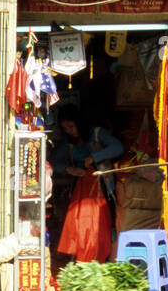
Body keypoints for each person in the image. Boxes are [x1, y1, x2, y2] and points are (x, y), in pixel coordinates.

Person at [53, 106, 124, 264]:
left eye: (71, 126)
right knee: (81, 225)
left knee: (106, 225)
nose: (69, 131)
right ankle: (83, 258)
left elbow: (118, 147)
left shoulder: (97, 133)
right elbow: (52, 162)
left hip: (104, 187)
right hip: (81, 189)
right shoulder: (69, 144)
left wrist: (94, 157)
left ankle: (107, 260)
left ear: (79, 123)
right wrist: (68, 169)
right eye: (65, 128)